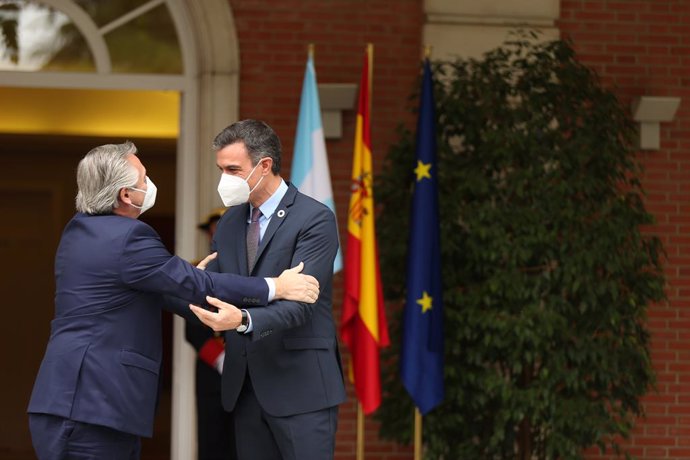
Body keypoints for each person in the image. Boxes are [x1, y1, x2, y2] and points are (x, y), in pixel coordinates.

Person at [27, 141, 320, 460]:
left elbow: (160, 288)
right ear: (125, 195)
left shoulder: (79, 231)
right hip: (93, 406)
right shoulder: (128, 237)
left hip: (75, 402)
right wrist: (277, 286)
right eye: (143, 179)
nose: (148, 185)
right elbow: (196, 282)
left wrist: (197, 288)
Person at [190, 119, 347, 460]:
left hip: (301, 389)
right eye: (221, 169)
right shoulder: (230, 221)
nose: (224, 180)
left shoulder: (314, 218)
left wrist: (243, 319)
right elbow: (220, 286)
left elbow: (303, 303)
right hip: (245, 389)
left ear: (265, 166)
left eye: (233, 169)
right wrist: (199, 283)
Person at [185, 207, 237, 460]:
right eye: (212, 231)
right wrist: (220, 358)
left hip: (245, 372)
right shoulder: (197, 272)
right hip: (210, 375)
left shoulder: (248, 270)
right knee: (211, 443)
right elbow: (192, 328)